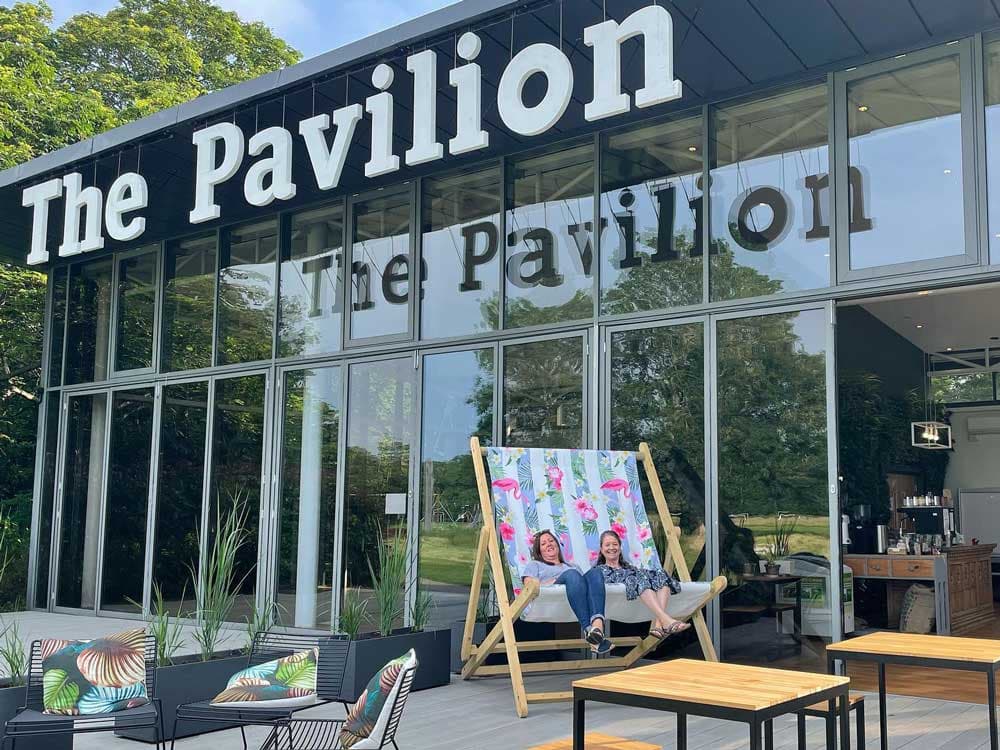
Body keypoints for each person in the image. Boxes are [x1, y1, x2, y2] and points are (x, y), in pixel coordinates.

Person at [521, 530, 612, 654]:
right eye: (543, 543)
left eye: (551, 541)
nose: (549, 544)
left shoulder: (573, 566)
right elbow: (529, 585)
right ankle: (588, 628)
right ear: (539, 551)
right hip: (550, 600)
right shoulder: (535, 565)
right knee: (571, 574)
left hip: (576, 600)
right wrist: (551, 582)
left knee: (596, 572)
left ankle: (597, 628)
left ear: (558, 545)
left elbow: (585, 586)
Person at [596, 529, 691, 640]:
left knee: (660, 574)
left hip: (640, 590)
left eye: (615, 544)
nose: (612, 548)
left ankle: (658, 626)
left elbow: (647, 576)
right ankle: (665, 620)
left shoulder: (630, 568)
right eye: (607, 545)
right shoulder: (599, 571)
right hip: (624, 600)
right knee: (641, 579)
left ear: (620, 548)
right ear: (601, 550)